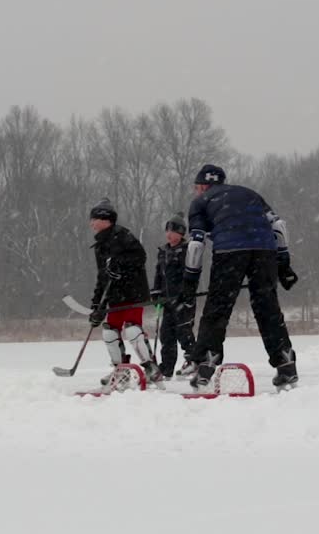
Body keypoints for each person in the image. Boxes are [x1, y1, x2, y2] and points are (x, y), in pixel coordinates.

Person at [182, 164, 299, 389]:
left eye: (197, 187)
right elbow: (279, 226)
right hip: (264, 250)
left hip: (229, 251)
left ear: (203, 185)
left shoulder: (200, 202)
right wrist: (283, 264)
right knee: (267, 308)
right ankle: (286, 364)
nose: (197, 192)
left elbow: (196, 244)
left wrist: (189, 281)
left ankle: (206, 365)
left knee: (218, 308)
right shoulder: (250, 193)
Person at [87, 198, 162, 384]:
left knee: (132, 329)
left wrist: (119, 266)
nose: (91, 223)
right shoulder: (100, 246)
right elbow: (102, 277)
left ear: (106, 220)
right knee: (110, 332)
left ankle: (151, 368)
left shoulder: (122, 235)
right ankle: (121, 371)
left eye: (94, 219)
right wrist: (97, 305)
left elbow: (139, 257)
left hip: (133, 294)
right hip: (115, 297)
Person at [151, 212, 197, 378]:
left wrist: (184, 296)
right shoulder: (163, 251)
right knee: (166, 335)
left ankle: (193, 360)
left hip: (182, 300)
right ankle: (167, 367)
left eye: (173, 231)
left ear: (181, 233)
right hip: (167, 301)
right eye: (167, 231)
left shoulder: (187, 250)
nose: (169, 235)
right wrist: (156, 292)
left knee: (184, 331)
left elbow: (190, 275)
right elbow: (159, 274)